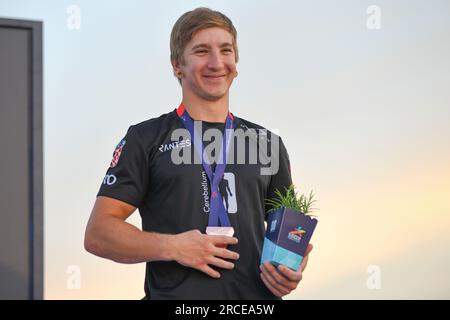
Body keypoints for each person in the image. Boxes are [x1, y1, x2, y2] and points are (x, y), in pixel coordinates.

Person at [84, 7, 313, 300]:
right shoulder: (145, 138)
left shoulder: (268, 143)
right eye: (202, 51)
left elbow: (290, 234)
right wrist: (173, 247)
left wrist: (291, 269)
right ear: (177, 65)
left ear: (236, 62)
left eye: (226, 50)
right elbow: (98, 233)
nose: (217, 63)